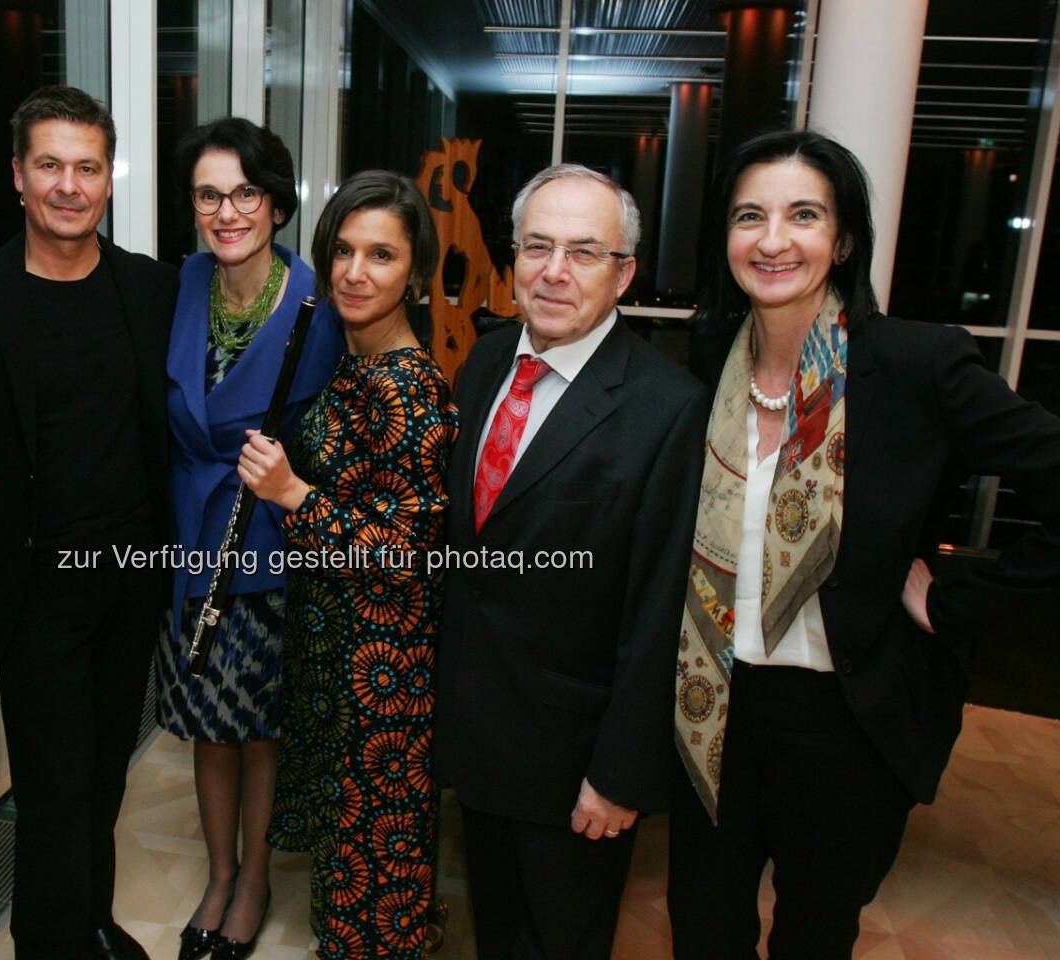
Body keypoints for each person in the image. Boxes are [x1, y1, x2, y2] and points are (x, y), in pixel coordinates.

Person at [669, 129, 1060, 960]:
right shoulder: (707, 360)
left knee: (815, 935)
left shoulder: (916, 363)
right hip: (711, 708)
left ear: (842, 239)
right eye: (750, 217)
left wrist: (958, 603)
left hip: (845, 723)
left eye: (803, 215)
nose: (773, 240)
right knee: (704, 930)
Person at [0, 85, 177, 960]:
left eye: (88, 167)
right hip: (31, 589)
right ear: (20, 178)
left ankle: (91, 924)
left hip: (132, 581)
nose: (71, 184)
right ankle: (50, 942)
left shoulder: (153, 290)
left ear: (110, 180)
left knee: (104, 775)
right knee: (54, 784)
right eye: (51, 165)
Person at [431, 164, 709, 959]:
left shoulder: (667, 408)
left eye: (584, 252)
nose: (554, 272)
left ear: (624, 274)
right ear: (511, 257)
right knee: (499, 929)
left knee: (564, 940)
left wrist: (621, 772)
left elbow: (661, 610)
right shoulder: (484, 365)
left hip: (575, 760)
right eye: (537, 246)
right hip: (480, 732)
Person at [240, 170, 459, 960]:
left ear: (416, 275)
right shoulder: (355, 363)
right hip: (340, 655)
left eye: (382, 256)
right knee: (349, 870)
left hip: (384, 675)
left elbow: (407, 554)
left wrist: (294, 494)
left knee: (374, 886)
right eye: (343, 251)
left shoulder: (411, 389)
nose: (355, 273)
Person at [157, 117, 343, 960]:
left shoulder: (318, 305)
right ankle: (218, 874)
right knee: (206, 724)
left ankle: (256, 878)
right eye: (208, 194)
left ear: (275, 204)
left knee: (257, 728)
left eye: (245, 193)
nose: (226, 211)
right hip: (189, 546)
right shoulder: (184, 284)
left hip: (266, 548)